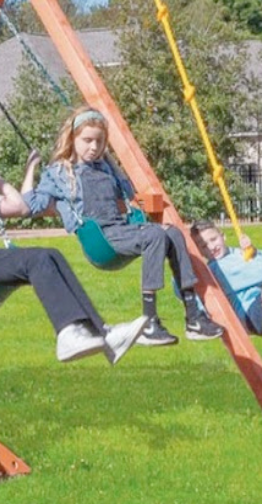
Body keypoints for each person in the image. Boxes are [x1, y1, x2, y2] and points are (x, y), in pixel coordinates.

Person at [0, 127, 148, 365]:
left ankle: (104, 334)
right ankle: (67, 332)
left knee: (51, 255)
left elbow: (20, 206)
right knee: (37, 258)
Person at [22, 108, 223, 347]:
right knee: (154, 233)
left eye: (100, 141)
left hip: (122, 229)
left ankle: (194, 316)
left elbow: (128, 191)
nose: (94, 147)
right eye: (87, 140)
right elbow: (32, 205)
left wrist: (110, 160)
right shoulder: (59, 173)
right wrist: (31, 168)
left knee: (173, 232)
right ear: (72, 139)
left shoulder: (104, 167)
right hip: (100, 240)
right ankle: (149, 322)